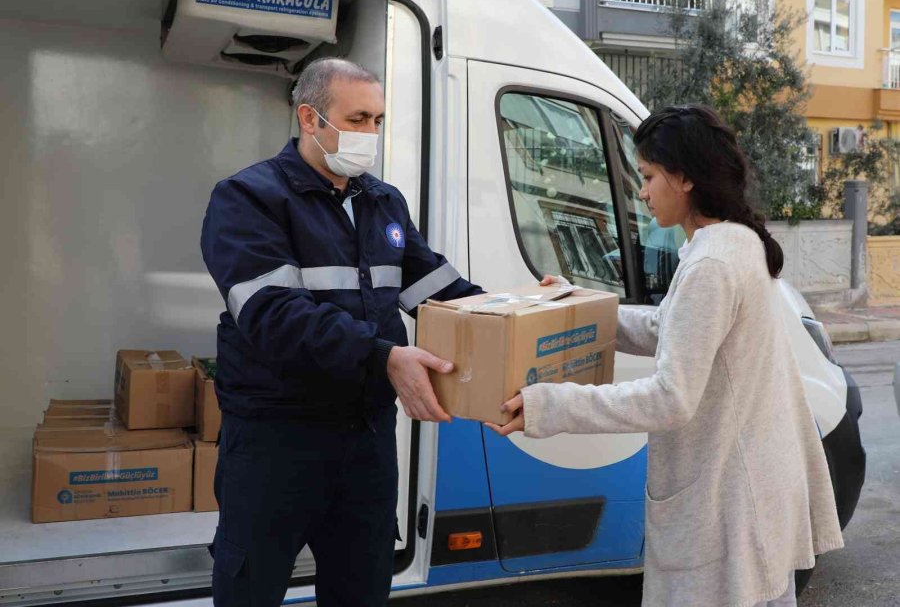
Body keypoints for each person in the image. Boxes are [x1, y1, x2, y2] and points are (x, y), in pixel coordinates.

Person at [488, 105, 843, 607]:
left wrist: (551, 405)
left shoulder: (712, 264)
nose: (642, 190)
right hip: (752, 492)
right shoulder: (734, 244)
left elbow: (670, 399)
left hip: (730, 503)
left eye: (650, 176)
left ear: (685, 179)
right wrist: (583, 310)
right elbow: (669, 328)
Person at [200, 57, 481, 607]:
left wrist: (521, 309)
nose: (371, 133)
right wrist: (383, 357)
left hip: (366, 439)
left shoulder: (382, 201)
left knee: (362, 585)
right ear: (310, 118)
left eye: (377, 119)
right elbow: (272, 316)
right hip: (276, 439)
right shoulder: (249, 198)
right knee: (251, 586)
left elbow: (436, 290)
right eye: (358, 118)